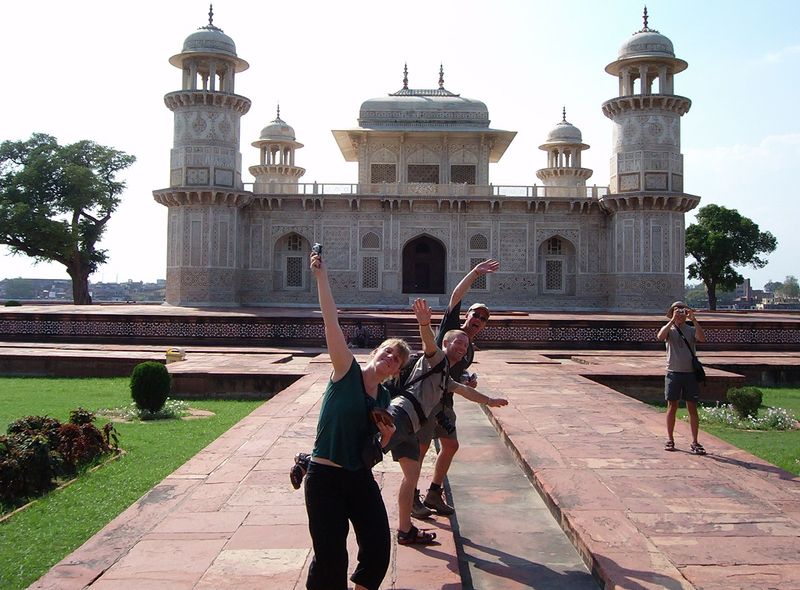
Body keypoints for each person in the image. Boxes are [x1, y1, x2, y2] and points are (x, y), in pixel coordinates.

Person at [304, 250, 411, 590]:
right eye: (388, 351)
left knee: (378, 548)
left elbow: (374, 446)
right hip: (325, 477)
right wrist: (322, 278)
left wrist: (385, 438)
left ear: (395, 372)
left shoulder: (384, 398)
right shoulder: (344, 370)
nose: (391, 358)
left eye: (397, 360)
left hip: (358, 476)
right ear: (375, 352)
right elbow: (331, 323)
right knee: (331, 558)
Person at [386, 298, 507, 545]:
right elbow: (429, 343)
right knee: (366, 454)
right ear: (446, 344)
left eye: (465, 344)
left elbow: (465, 390)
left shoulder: (445, 377)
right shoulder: (437, 358)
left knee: (409, 475)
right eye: (458, 342)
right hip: (401, 415)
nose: (462, 347)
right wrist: (424, 324)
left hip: (410, 421)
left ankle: (405, 529)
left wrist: (489, 400)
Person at [416, 259, 499, 516]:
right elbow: (455, 296)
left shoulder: (469, 349)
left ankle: (433, 493)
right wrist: (474, 273)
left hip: (445, 401)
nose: (478, 320)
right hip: (426, 397)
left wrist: (466, 381)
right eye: (476, 315)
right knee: (420, 449)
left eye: (483, 319)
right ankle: (412, 496)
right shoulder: (451, 329)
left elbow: (455, 373)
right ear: (467, 316)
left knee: (450, 446)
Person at [656, 300, 707, 455]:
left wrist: (694, 319)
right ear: (672, 313)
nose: (680, 314)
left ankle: (695, 441)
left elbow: (702, 338)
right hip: (673, 372)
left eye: (682, 311)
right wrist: (672, 320)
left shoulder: (691, 330)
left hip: (690, 373)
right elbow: (660, 336)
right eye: (676, 311)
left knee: (692, 407)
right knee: (672, 406)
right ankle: (670, 439)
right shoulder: (669, 329)